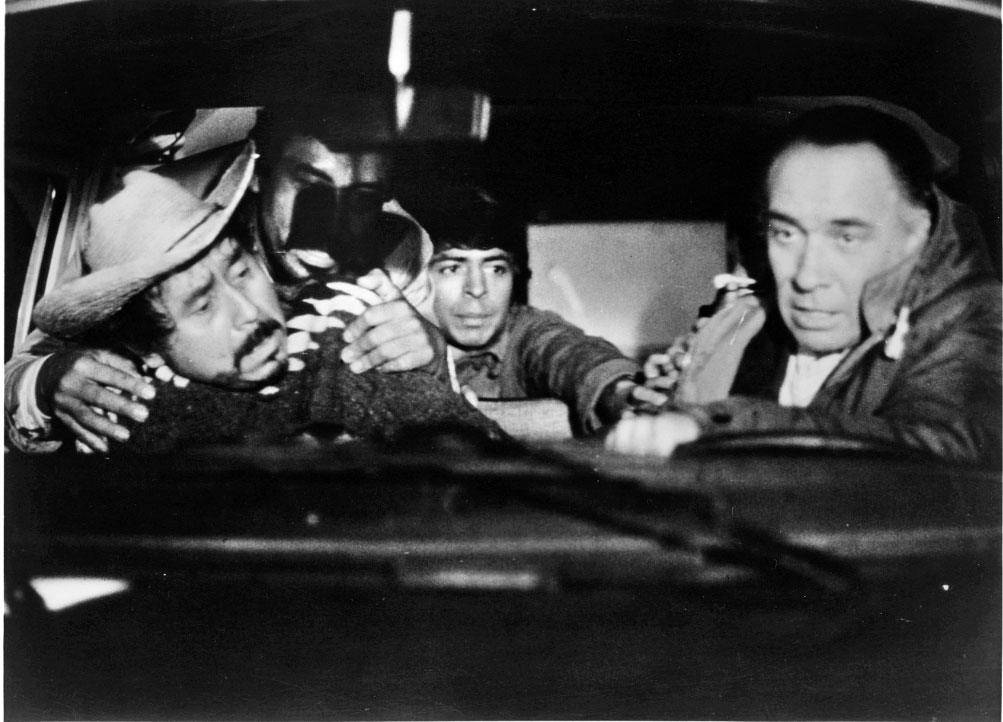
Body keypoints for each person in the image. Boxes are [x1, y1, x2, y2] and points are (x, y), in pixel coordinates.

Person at [6, 107, 445, 453]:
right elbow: (24, 366)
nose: (333, 229)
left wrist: (434, 356)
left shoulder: (400, 248)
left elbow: (436, 402)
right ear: (259, 176)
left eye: (363, 200)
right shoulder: (159, 221)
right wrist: (43, 383)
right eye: (310, 187)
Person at [606, 105, 1001, 467]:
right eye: (786, 233)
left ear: (916, 234)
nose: (807, 277)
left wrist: (721, 427)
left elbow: (948, 448)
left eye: (846, 237)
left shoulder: (977, 323)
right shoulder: (744, 320)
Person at [419, 186, 662, 435]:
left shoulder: (527, 331)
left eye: (496, 269)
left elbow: (568, 352)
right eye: (452, 268)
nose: (477, 288)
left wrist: (620, 392)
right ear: (416, 278)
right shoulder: (404, 340)